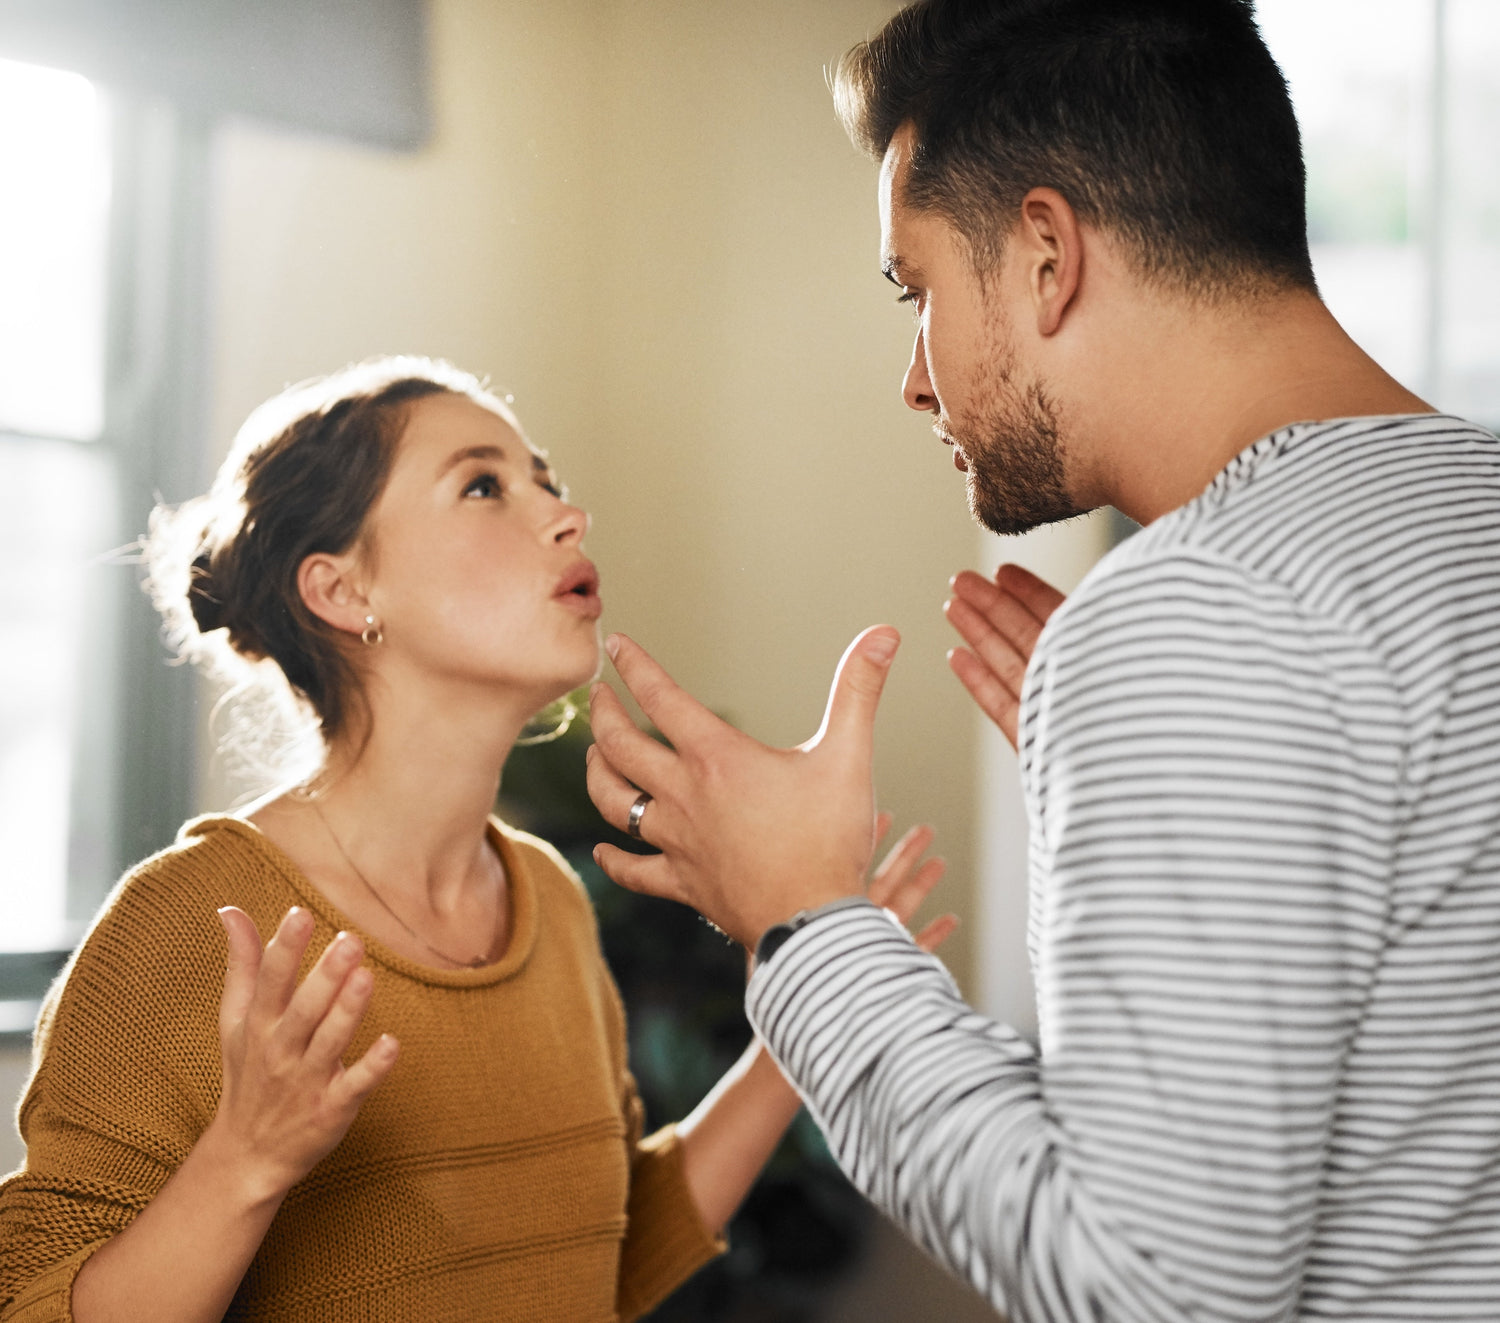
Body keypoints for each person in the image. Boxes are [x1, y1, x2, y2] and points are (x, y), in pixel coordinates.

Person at [582, 2, 1500, 1320]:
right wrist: (1163, 781)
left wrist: (803, 921)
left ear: (1046, 254)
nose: (915, 376)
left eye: (918, 291)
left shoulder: (1195, 615)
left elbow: (1151, 1293)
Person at [0, 356, 953, 1323]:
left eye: (548, 480)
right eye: (485, 484)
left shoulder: (551, 900)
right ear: (341, 589)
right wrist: (243, 1161)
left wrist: (793, 1037)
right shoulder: (191, 924)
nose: (565, 515)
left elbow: (600, 1261)